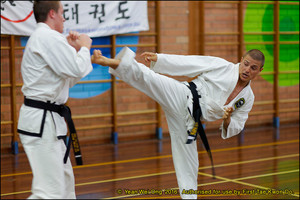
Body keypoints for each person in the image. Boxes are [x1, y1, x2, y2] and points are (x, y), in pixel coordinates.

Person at [91, 47, 264, 199]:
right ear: (241, 60)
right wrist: (160, 59)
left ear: (259, 71)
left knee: (189, 163)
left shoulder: (248, 98)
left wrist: (227, 118)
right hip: (184, 96)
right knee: (149, 78)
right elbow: (190, 63)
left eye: (253, 68)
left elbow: (237, 126)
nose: (247, 69)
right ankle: (108, 61)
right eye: (246, 63)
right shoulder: (223, 66)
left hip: (191, 121)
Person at [17, 1, 93, 199]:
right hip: (42, 123)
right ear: (52, 13)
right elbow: (76, 68)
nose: (64, 18)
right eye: (62, 13)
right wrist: (84, 47)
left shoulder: (49, 38)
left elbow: (68, 78)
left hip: (49, 122)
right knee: (49, 192)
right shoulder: (47, 37)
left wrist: (78, 52)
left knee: (65, 185)